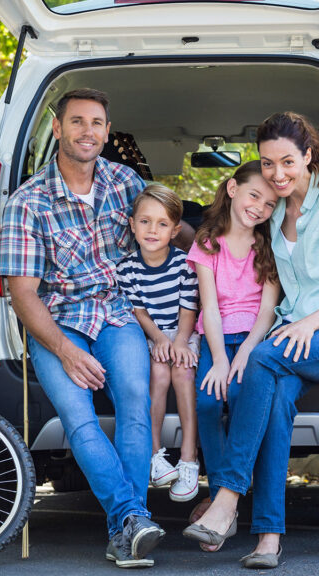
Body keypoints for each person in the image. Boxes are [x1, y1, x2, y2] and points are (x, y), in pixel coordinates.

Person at [183, 112, 319, 569]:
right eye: (267, 163)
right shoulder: (275, 215)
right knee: (274, 401)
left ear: (308, 156)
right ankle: (269, 538)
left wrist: (308, 324)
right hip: (297, 338)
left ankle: (226, 497)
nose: (277, 174)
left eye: (287, 162)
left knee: (261, 359)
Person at [0, 88, 166, 568]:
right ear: (57, 129)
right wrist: (67, 353)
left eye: (96, 123)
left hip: (116, 312)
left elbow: (165, 225)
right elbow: (23, 294)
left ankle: (126, 527)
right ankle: (131, 520)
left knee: (136, 399)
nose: (87, 131)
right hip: (57, 321)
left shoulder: (125, 181)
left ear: (107, 132)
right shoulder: (28, 202)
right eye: (77, 122)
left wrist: (216, 240)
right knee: (79, 415)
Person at [182, 161, 281, 551]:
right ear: (232, 189)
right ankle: (221, 496)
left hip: (255, 338)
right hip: (217, 337)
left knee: (241, 401)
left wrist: (248, 354)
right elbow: (209, 306)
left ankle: (226, 504)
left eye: (270, 204)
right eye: (254, 195)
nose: (259, 207)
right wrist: (221, 359)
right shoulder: (207, 241)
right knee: (207, 402)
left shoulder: (267, 246)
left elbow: (268, 310)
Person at [115, 184, 201, 503]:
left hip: (183, 331)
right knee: (159, 376)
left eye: (163, 224)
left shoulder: (183, 264)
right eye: (145, 222)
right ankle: (155, 457)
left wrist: (179, 340)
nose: (153, 230)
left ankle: (189, 459)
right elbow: (138, 311)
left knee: (182, 374)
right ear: (132, 224)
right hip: (153, 334)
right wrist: (160, 339)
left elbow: (189, 307)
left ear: (175, 230)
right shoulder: (127, 268)